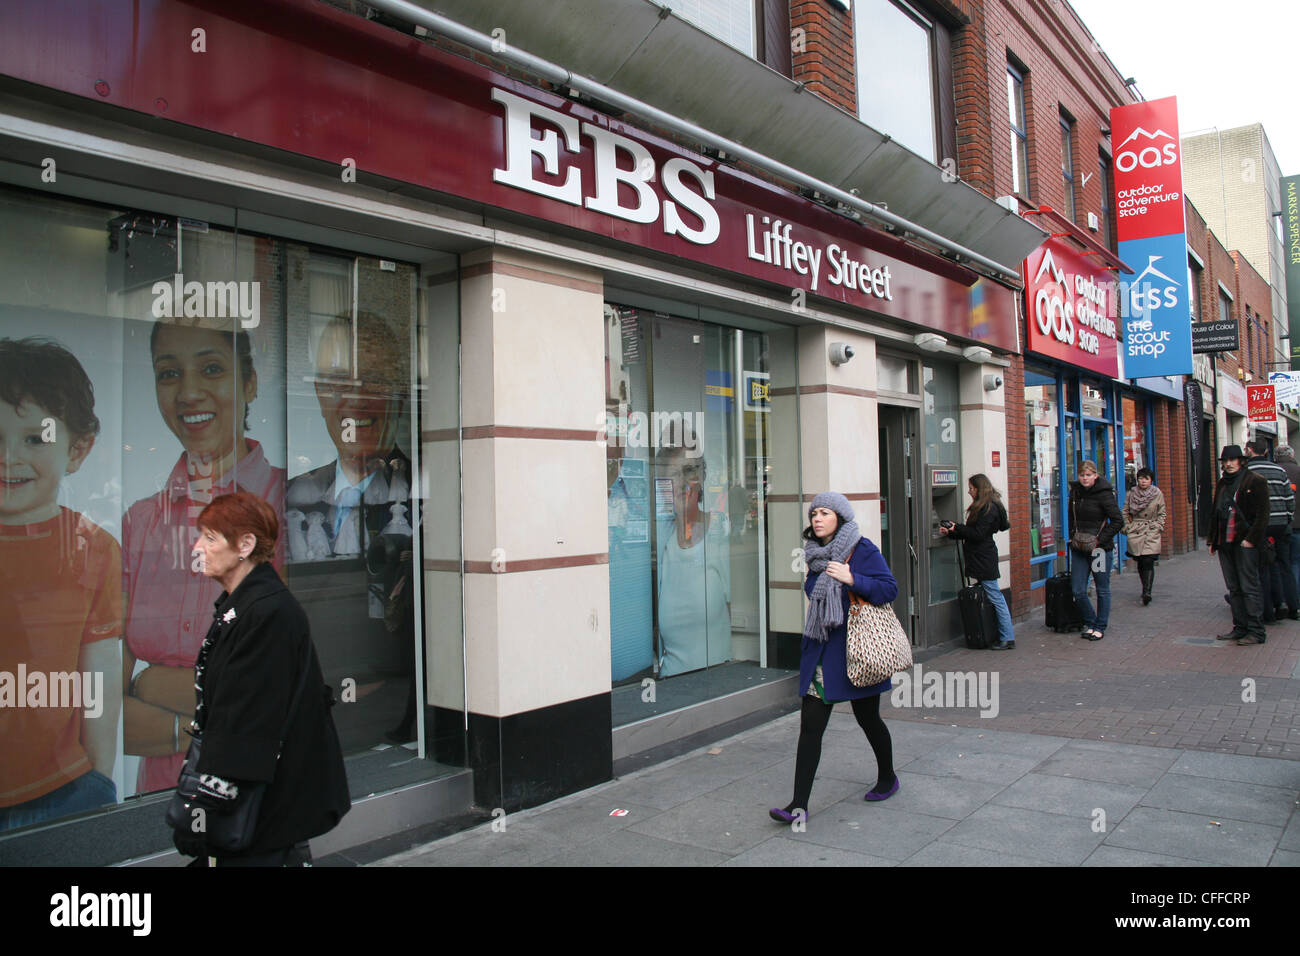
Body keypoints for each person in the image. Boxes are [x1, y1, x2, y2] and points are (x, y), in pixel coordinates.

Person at [122, 322, 285, 794]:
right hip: (154, 800)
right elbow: (113, 714)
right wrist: (196, 719)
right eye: (169, 373)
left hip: (253, 793)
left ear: (249, 382)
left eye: (211, 368)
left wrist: (152, 686)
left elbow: (273, 693)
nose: (189, 392)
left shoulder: (284, 501)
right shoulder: (140, 522)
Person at [174, 491, 350, 866]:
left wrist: (204, 811)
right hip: (258, 806)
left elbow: (248, 721)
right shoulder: (244, 604)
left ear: (245, 545)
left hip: (264, 806)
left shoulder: (267, 611)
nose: (197, 546)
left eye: (209, 537)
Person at [0, 339, 122, 830]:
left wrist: (99, 778)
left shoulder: (93, 548)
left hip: (64, 790)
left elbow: (100, 674)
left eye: (34, 439)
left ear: (78, 449)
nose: (9, 458)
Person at [769, 493, 898, 824]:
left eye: (824, 512)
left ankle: (888, 777)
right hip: (822, 652)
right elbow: (815, 593)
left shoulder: (862, 548)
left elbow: (888, 589)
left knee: (868, 719)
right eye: (814, 513)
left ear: (840, 517)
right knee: (810, 727)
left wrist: (852, 578)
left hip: (856, 652)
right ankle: (798, 805)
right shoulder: (814, 554)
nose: (817, 518)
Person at [940, 474, 1014, 649]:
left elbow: (978, 534)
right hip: (981, 556)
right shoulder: (985, 506)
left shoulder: (988, 508)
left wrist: (957, 527)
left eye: (971, 488)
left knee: (995, 596)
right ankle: (997, 634)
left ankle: (1007, 637)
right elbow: (973, 533)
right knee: (993, 595)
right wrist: (952, 532)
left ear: (980, 489)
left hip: (984, 558)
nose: (969, 491)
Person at [1208, 445, 1270, 646]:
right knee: (1234, 588)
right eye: (1225, 461)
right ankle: (1240, 627)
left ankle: (1256, 631)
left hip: (1244, 543)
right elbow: (1216, 512)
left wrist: (1250, 539)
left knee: (1249, 587)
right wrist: (1213, 539)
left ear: (1241, 461)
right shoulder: (1222, 483)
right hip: (1225, 543)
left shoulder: (1255, 481)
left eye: (1232, 460)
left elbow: (1263, 515)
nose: (1228, 464)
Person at [1068, 461, 1123, 641]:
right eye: (1082, 475)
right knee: (1077, 590)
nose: (1085, 478)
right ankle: (1091, 621)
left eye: (1089, 475)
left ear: (1095, 476)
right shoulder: (1075, 492)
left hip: (1098, 550)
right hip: (1079, 548)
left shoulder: (1104, 494)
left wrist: (1100, 540)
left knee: (1101, 588)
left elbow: (1117, 520)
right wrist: (1071, 535)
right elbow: (1071, 516)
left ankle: (1100, 626)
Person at [1243, 441, 1297, 622]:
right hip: (1281, 524)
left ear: (1249, 451)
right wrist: (1287, 518)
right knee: (1283, 564)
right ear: (1266, 451)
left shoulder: (1246, 471)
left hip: (1259, 525)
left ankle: (1267, 611)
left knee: (1261, 567)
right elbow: (1290, 499)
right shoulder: (1279, 471)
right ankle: (1291, 606)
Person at [1123, 467, 1167, 606]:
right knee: (1141, 561)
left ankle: (1147, 591)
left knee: (1148, 560)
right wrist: (1127, 527)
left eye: (1146, 478)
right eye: (1141, 478)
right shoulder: (1131, 494)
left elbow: (1162, 512)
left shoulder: (1157, 493)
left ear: (1151, 480)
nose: (1143, 481)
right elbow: (1125, 511)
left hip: (1151, 530)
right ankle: (1145, 588)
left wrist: (1158, 526)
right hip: (1136, 528)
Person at [1274, 445, 1300, 603]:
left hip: (1277, 525)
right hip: (1297, 526)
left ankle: (1281, 598)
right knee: (1295, 561)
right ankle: (1295, 597)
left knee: (1278, 562)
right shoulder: (1298, 471)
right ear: (1292, 455)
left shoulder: (1272, 471)